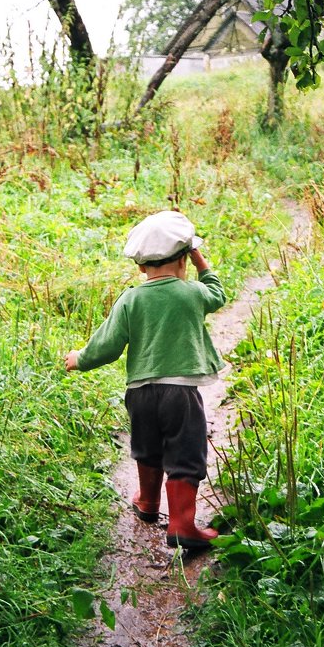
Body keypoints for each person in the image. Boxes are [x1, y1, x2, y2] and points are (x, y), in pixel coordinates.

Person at [64, 210, 226, 548]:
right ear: (184, 258)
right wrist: (201, 260)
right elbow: (217, 293)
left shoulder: (131, 299)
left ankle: (148, 502)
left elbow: (106, 346)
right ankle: (182, 525)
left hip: (139, 393)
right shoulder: (193, 293)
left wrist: (81, 359)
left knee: (147, 446)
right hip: (179, 392)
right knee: (184, 451)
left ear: (140, 267)